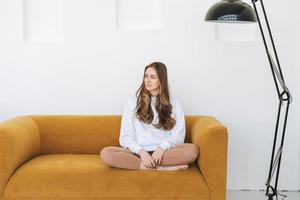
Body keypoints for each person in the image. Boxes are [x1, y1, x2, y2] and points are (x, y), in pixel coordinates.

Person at [100, 62, 199, 170]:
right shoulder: (132, 103)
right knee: (106, 153)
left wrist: (161, 148)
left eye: (152, 77)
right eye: (146, 76)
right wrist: (141, 151)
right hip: (138, 154)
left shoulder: (174, 104)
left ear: (161, 80)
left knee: (192, 150)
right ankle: (160, 168)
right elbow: (126, 136)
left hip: (164, 153)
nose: (147, 80)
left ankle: (149, 165)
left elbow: (178, 135)